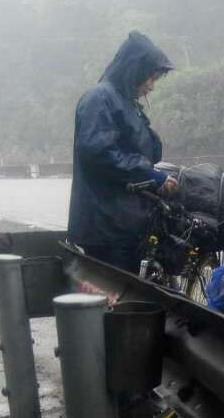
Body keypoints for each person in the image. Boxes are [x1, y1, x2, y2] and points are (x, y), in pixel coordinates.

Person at [67, 31, 178, 272]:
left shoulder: (124, 102)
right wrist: (151, 175)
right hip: (106, 225)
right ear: (134, 70)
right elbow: (99, 154)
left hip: (123, 221)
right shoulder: (100, 98)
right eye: (150, 77)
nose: (151, 86)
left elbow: (143, 150)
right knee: (118, 291)